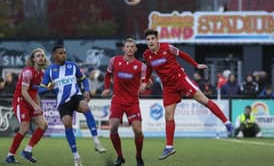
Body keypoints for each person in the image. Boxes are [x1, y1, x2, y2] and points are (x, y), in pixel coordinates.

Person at [140, 29, 233, 160]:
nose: (150, 41)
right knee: (168, 115)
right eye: (148, 40)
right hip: (168, 87)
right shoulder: (147, 55)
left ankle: (227, 122)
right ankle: (169, 147)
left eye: (152, 39)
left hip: (180, 79)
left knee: (203, 100)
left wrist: (196, 65)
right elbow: (149, 68)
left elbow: (182, 55)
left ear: (157, 39)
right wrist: (145, 81)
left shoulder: (168, 48)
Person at [38, 45, 106, 166]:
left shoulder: (72, 65)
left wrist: (86, 90)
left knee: (85, 106)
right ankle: (76, 156)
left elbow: (84, 79)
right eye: (60, 53)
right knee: (67, 123)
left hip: (76, 96)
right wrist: (49, 87)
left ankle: (96, 141)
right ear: (54, 55)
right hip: (63, 102)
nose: (64, 55)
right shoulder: (50, 70)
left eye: (64, 52)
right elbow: (40, 90)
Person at [101, 38, 145, 166]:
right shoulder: (114, 61)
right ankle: (120, 157)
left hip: (132, 102)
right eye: (128, 46)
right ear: (123, 48)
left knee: (138, 131)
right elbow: (108, 74)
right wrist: (106, 88)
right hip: (117, 101)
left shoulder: (141, 66)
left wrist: (145, 85)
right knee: (113, 128)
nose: (130, 48)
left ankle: (138, 157)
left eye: (132, 46)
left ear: (136, 49)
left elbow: (146, 81)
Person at [5, 48, 49, 163]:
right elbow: (24, 92)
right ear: (33, 59)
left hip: (31, 101)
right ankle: (10, 155)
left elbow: (36, 93)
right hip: (21, 101)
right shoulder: (28, 72)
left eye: (42, 56)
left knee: (43, 125)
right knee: (24, 128)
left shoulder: (42, 74)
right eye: (38, 56)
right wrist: (35, 106)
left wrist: (39, 107)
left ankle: (27, 151)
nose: (41, 57)